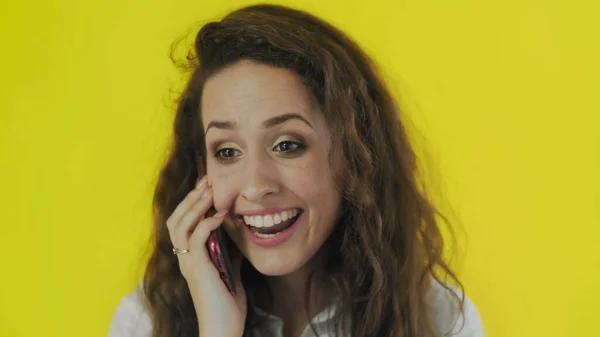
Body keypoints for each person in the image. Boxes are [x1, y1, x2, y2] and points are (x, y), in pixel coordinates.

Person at [108, 3, 484, 337]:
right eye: (226, 151)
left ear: (355, 155)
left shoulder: (442, 318)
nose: (254, 187)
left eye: (287, 145)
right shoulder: (144, 320)